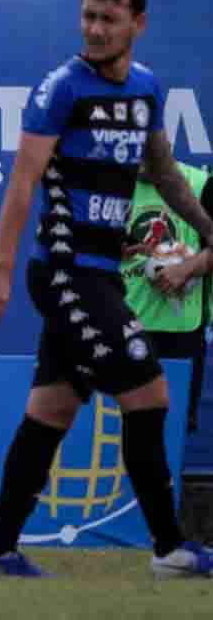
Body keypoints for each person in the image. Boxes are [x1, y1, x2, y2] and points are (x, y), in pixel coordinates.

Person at [0, 0, 213, 578]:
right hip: (65, 270)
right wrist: (1, 267)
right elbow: (23, 181)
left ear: (139, 23)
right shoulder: (62, 89)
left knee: (52, 408)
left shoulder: (146, 89)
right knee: (149, 392)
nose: (96, 30)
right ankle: (169, 549)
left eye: (109, 19)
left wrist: (208, 229)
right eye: (88, 17)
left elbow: (164, 174)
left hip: (101, 275)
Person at [121, 162, 213, 469]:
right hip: (123, 327)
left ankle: (165, 492)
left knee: (173, 426)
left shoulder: (199, 183)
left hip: (180, 332)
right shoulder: (113, 182)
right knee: (121, 424)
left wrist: (187, 268)